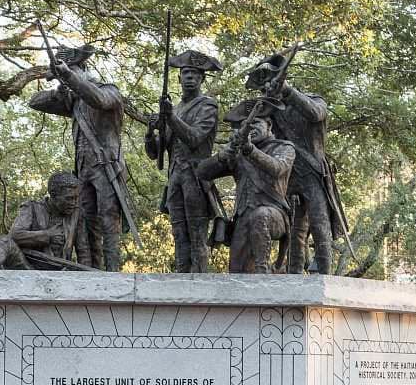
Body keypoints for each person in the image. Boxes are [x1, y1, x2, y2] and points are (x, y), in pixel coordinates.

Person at [29, 45, 136, 271]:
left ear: (83, 69)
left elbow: (99, 100)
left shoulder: (109, 91)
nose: (65, 82)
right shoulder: (74, 101)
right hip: (84, 170)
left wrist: (68, 76)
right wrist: (59, 91)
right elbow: (35, 101)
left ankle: (113, 272)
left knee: (109, 221)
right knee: (87, 224)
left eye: (69, 75)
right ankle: (92, 272)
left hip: (107, 167)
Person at [245, 53, 347, 274]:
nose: (267, 87)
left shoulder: (311, 100)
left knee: (320, 225)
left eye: (270, 80)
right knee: (294, 229)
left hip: (313, 173)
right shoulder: (268, 111)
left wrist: (287, 91)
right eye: (263, 85)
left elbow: (316, 113)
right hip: (287, 175)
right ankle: (293, 275)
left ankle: (325, 275)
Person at [144, 50, 226, 273]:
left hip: (196, 178)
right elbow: (156, 154)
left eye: (195, 74)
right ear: (179, 78)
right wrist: (151, 132)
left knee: (196, 233)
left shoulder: (207, 106)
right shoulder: (175, 109)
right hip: (175, 179)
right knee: (179, 234)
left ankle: (198, 280)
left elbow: (194, 138)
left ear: (202, 78)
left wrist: (170, 117)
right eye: (186, 73)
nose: (190, 77)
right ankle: (181, 278)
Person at [197, 104, 295, 274]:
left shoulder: (284, 147)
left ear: (269, 125)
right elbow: (202, 172)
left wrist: (250, 150)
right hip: (243, 218)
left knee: (261, 216)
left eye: (255, 123)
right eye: (243, 126)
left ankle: (263, 272)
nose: (249, 129)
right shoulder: (238, 154)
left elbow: (278, 168)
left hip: (275, 215)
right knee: (237, 271)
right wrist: (223, 155)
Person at [0, 172, 92, 270]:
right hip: (29, 269)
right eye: (69, 198)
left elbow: (84, 252)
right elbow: (14, 235)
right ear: (53, 195)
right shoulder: (32, 208)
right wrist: (47, 236)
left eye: (76, 198)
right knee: (4, 241)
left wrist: (87, 280)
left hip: (60, 274)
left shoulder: (76, 215)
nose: (74, 203)